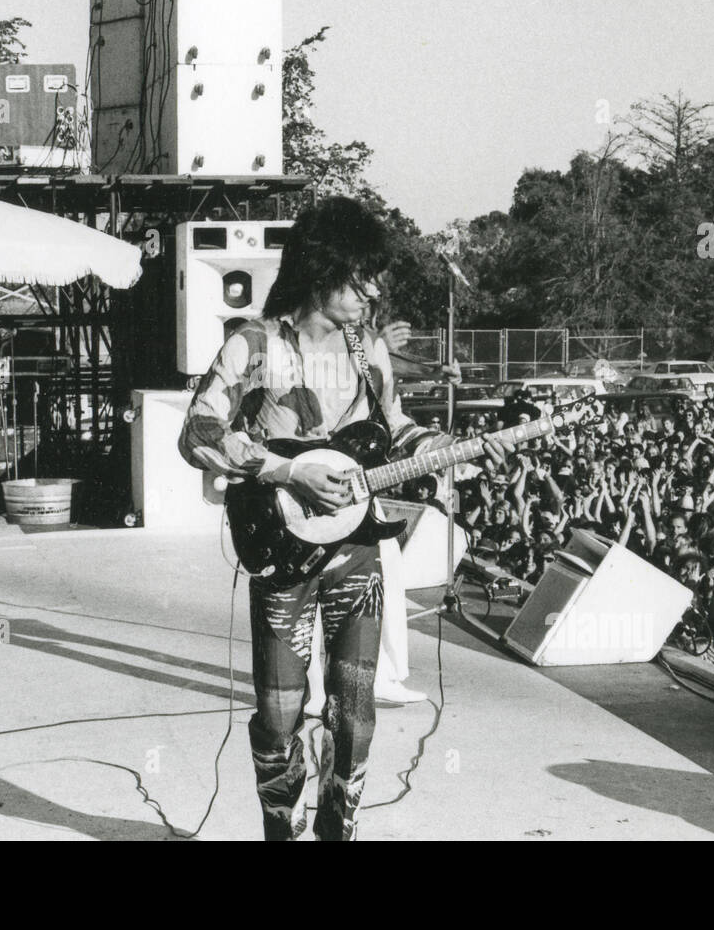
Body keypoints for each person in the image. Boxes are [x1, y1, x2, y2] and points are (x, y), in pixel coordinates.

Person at [179, 197, 510, 841]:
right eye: (359, 276)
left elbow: (397, 431)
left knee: (356, 715)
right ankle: (282, 827)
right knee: (279, 716)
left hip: (357, 547)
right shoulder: (254, 344)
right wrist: (286, 470)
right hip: (282, 550)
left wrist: (450, 450)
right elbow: (198, 431)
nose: (372, 290)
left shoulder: (368, 352)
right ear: (318, 270)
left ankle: (339, 829)